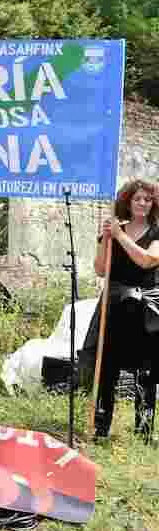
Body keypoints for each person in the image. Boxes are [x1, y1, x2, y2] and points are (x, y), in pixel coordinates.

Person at [85, 179, 159, 441]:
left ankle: (143, 432)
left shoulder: (156, 232)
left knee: (146, 370)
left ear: (153, 204)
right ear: (128, 201)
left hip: (145, 309)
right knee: (107, 368)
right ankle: (101, 426)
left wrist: (120, 236)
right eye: (137, 198)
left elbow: (147, 260)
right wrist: (107, 238)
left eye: (147, 200)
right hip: (114, 305)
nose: (142, 203)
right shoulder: (114, 230)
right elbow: (100, 269)